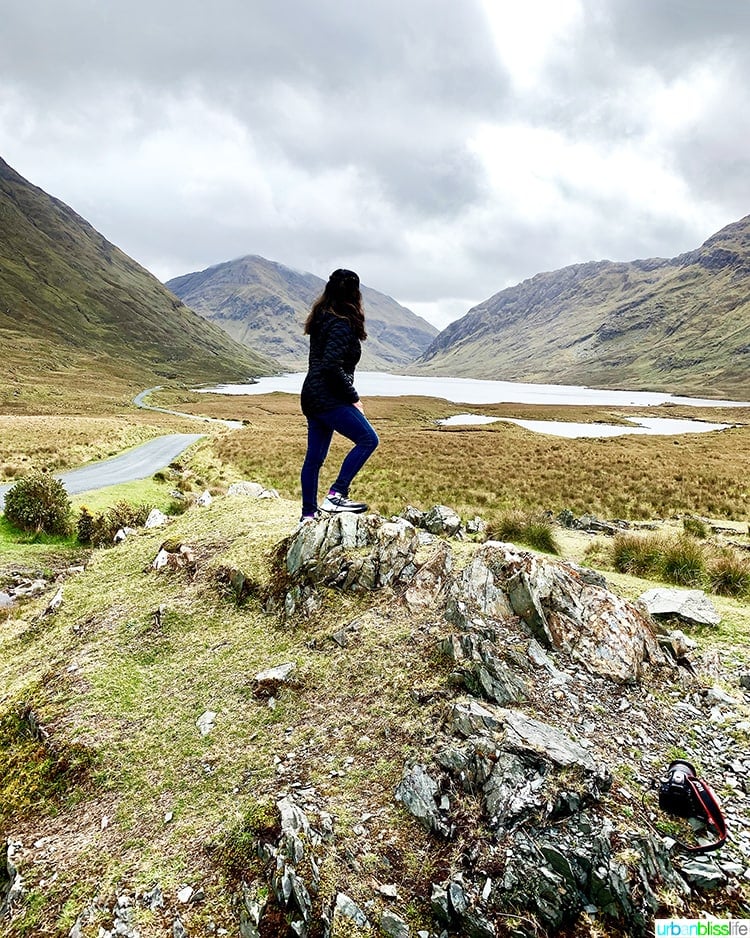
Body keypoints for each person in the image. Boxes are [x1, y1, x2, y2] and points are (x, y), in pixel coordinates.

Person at [299, 268, 379, 520]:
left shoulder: (321, 317)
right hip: (329, 396)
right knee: (368, 439)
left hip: (312, 396)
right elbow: (332, 366)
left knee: (314, 458)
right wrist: (354, 398)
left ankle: (308, 515)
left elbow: (322, 363)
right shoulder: (342, 323)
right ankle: (336, 495)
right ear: (354, 294)